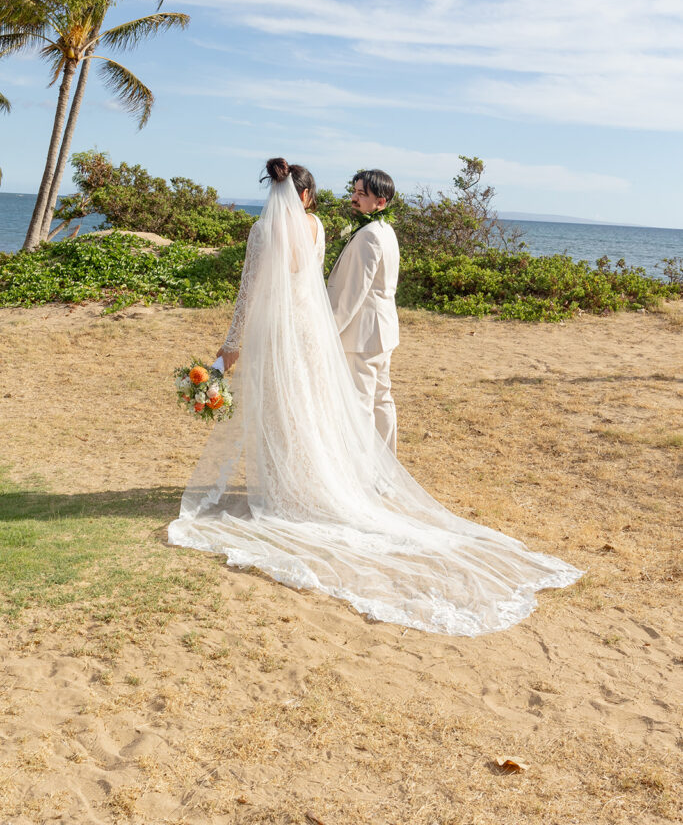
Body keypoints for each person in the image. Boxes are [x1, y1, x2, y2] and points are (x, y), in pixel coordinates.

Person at [168, 157, 581, 637]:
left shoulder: (266, 233)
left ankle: (297, 492)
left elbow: (251, 292)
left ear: (277, 191)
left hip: (280, 331)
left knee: (286, 411)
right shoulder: (319, 226)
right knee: (310, 410)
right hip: (308, 327)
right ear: (306, 195)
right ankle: (309, 483)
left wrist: (226, 352)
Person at [327, 170, 400, 454]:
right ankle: (387, 469)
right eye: (354, 191)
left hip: (363, 335)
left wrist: (328, 330)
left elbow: (352, 294)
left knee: (360, 404)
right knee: (382, 399)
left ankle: (364, 475)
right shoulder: (385, 230)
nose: (354, 198)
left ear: (380, 202)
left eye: (362, 194)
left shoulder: (369, 236)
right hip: (383, 332)